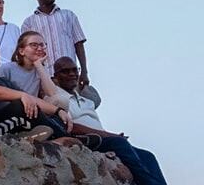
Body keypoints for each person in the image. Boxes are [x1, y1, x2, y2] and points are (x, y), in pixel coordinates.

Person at [51, 57, 167, 185]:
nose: (72, 74)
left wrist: (109, 135)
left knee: (148, 156)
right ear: (56, 76)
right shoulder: (58, 99)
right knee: (120, 144)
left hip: (103, 137)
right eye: (66, 71)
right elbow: (71, 126)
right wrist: (109, 135)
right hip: (87, 139)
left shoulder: (87, 102)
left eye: (74, 70)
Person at [0, 38, 72, 140]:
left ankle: (57, 136)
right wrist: (23, 96)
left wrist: (58, 111)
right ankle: (64, 138)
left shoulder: (4, 82)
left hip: (11, 124)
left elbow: (32, 99)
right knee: (20, 105)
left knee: (57, 117)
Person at [21, 0, 88, 85]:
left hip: (69, 76)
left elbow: (78, 44)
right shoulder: (29, 22)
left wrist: (84, 71)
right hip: (44, 77)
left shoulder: (68, 15)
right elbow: (27, 53)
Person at [0, 31, 59, 100]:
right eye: (34, 45)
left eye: (42, 45)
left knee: (62, 100)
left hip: (33, 107)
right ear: (22, 51)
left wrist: (39, 65)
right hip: (12, 106)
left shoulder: (40, 69)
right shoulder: (7, 68)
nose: (40, 48)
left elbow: (52, 94)